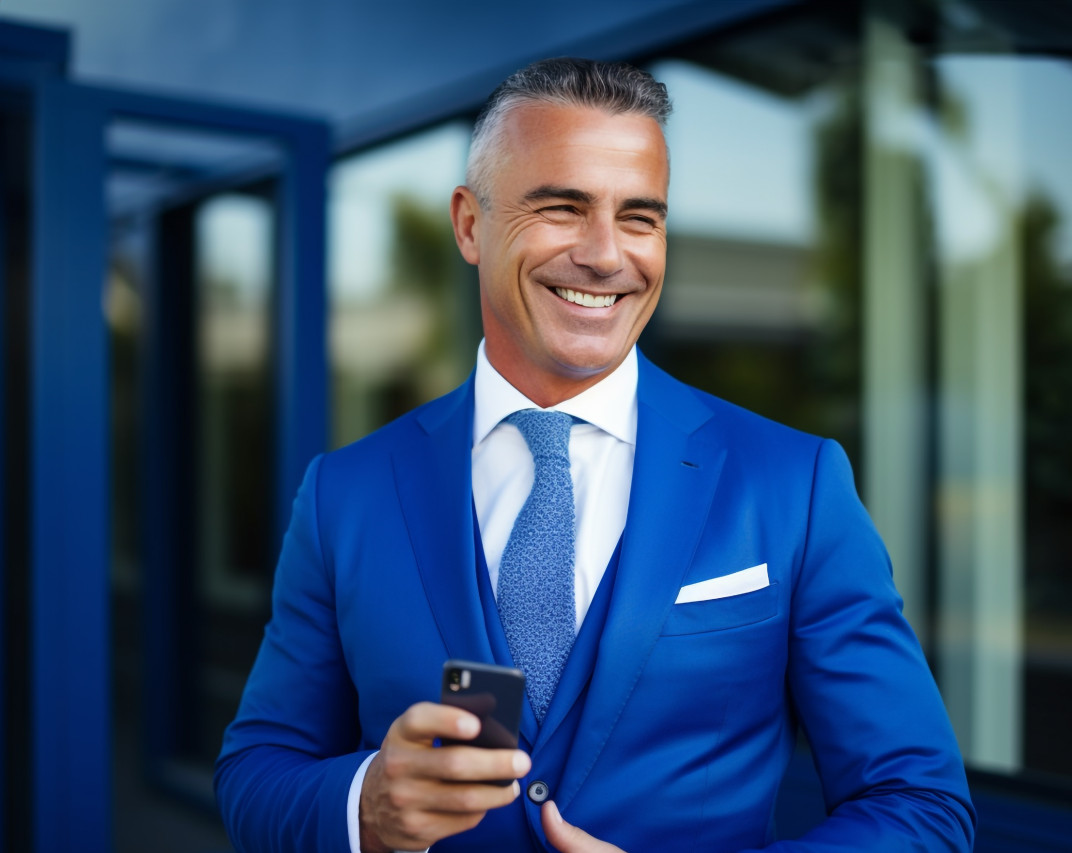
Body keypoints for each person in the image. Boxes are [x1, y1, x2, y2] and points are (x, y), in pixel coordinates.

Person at [215, 57, 975, 853]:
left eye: (640, 218)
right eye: (563, 207)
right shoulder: (346, 493)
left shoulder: (794, 483)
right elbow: (257, 771)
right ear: (471, 225)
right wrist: (363, 802)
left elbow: (919, 803)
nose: (608, 255)